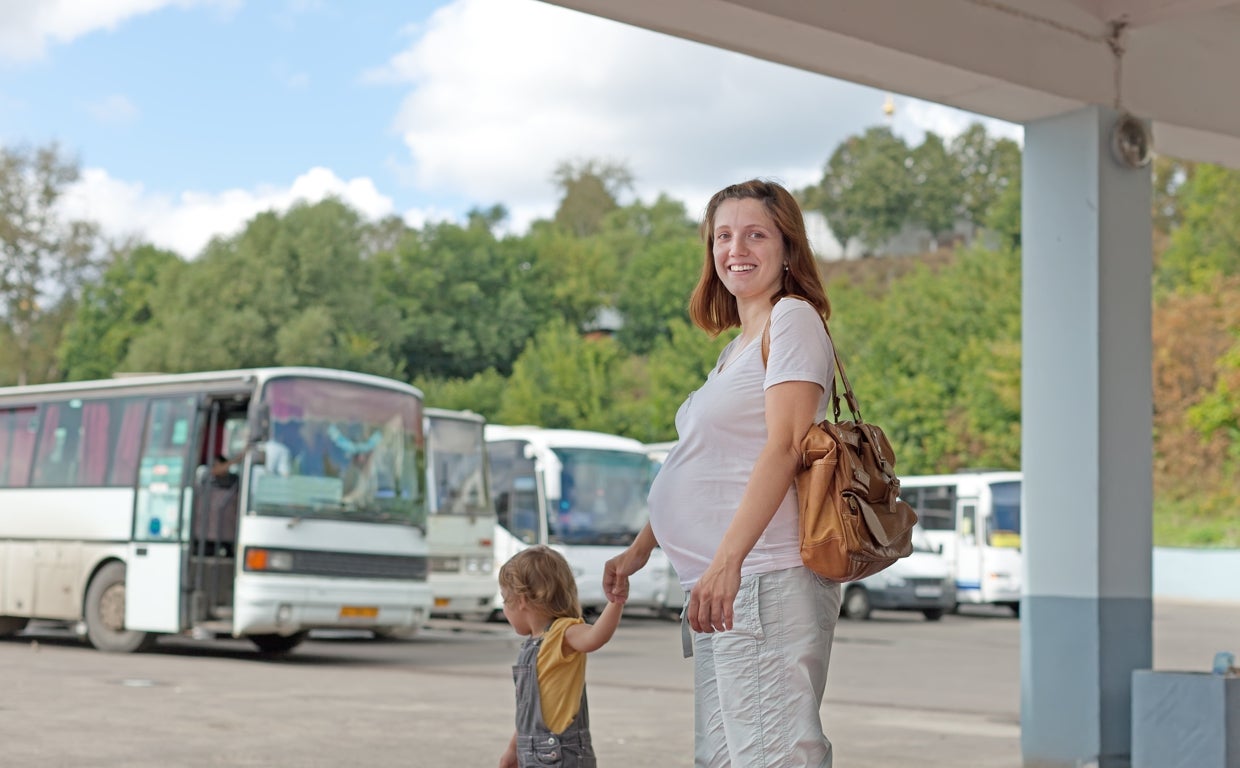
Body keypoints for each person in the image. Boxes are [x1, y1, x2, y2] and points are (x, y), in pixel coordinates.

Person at [603, 179, 842, 767]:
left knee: (771, 755)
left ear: (788, 247)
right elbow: (709, 461)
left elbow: (784, 448)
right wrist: (639, 551)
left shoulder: (792, 320)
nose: (737, 248)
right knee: (725, 759)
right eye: (723, 236)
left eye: (756, 234)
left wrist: (728, 561)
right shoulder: (737, 347)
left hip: (759, 580)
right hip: (720, 589)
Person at [498, 545, 624, 768]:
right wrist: (513, 749)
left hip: (561, 756)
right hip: (532, 754)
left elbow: (596, 637)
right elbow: (530, 710)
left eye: (504, 599)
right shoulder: (531, 645)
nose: (504, 609)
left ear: (521, 600)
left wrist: (616, 601)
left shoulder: (563, 632)